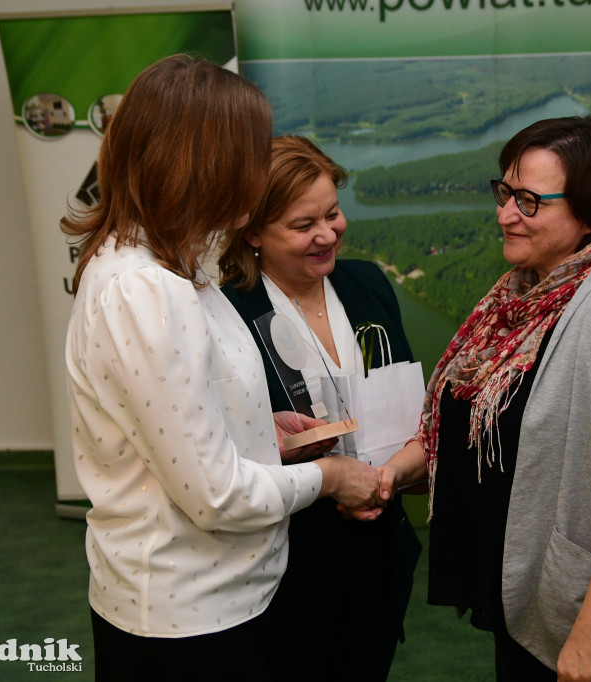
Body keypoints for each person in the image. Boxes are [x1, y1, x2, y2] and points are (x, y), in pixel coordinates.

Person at [62, 55, 380, 681]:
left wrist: (261, 427)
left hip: (226, 597)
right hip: (192, 622)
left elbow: (177, 422)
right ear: (196, 163)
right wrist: (333, 475)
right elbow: (214, 496)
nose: (254, 172)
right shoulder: (147, 289)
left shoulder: (172, 262)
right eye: (246, 154)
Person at [350, 116, 591, 681]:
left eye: (529, 201)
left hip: (580, 628)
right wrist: (391, 474)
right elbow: (469, 427)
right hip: (524, 609)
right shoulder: (516, 299)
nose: (505, 214)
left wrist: (590, 635)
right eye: (505, 193)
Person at [218, 135, 422, 682]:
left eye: (333, 213)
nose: (328, 233)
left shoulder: (369, 285)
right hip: (286, 566)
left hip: (379, 548)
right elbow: (218, 449)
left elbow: (409, 410)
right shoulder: (226, 312)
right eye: (304, 225)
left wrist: (388, 478)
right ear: (253, 231)